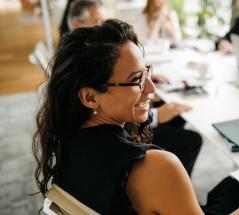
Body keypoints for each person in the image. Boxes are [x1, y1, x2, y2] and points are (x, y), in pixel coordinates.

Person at [33, 19, 239, 214]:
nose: (152, 88)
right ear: (90, 97)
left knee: (232, 184)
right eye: (136, 80)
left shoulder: (65, 137)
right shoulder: (158, 167)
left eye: (146, 72)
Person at [60, 0, 202, 175]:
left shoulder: (71, 59)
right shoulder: (132, 163)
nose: (103, 27)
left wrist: (139, 77)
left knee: (177, 118)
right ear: (90, 97)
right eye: (98, 22)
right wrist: (155, 115)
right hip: (132, 140)